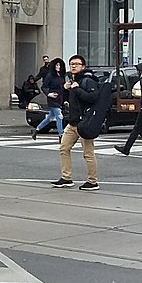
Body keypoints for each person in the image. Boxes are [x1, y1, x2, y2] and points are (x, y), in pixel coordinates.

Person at [54, 55, 99, 190]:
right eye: (71, 64)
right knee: (64, 148)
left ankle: (93, 181)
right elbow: (69, 100)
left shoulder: (87, 81)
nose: (73, 66)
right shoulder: (72, 81)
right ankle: (66, 178)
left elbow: (93, 97)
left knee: (88, 153)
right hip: (73, 122)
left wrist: (77, 89)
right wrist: (66, 89)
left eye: (77, 64)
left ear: (83, 66)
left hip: (84, 123)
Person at [31, 58, 66, 139]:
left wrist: (65, 100)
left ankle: (36, 129)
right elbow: (44, 87)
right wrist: (48, 94)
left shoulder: (61, 76)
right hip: (52, 98)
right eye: (57, 65)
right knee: (59, 116)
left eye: (60, 65)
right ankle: (61, 135)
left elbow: (62, 89)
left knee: (50, 118)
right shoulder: (50, 76)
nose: (59, 67)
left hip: (59, 98)